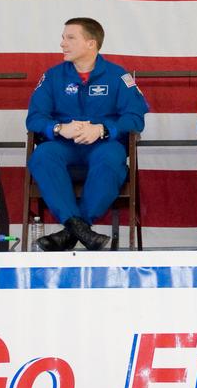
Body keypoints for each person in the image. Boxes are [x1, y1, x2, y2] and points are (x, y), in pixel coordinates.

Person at [26, 18, 149, 251]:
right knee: (42, 155)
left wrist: (102, 129)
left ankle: (74, 228)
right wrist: (59, 128)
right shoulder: (52, 77)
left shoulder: (117, 76)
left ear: (91, 43)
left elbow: (135, 117)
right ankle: (80, 228)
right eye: (63, 37)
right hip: (64, 144)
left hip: (103, 144)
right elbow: (34, 118)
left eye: (70, 38)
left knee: (112, 158)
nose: (62, 43)